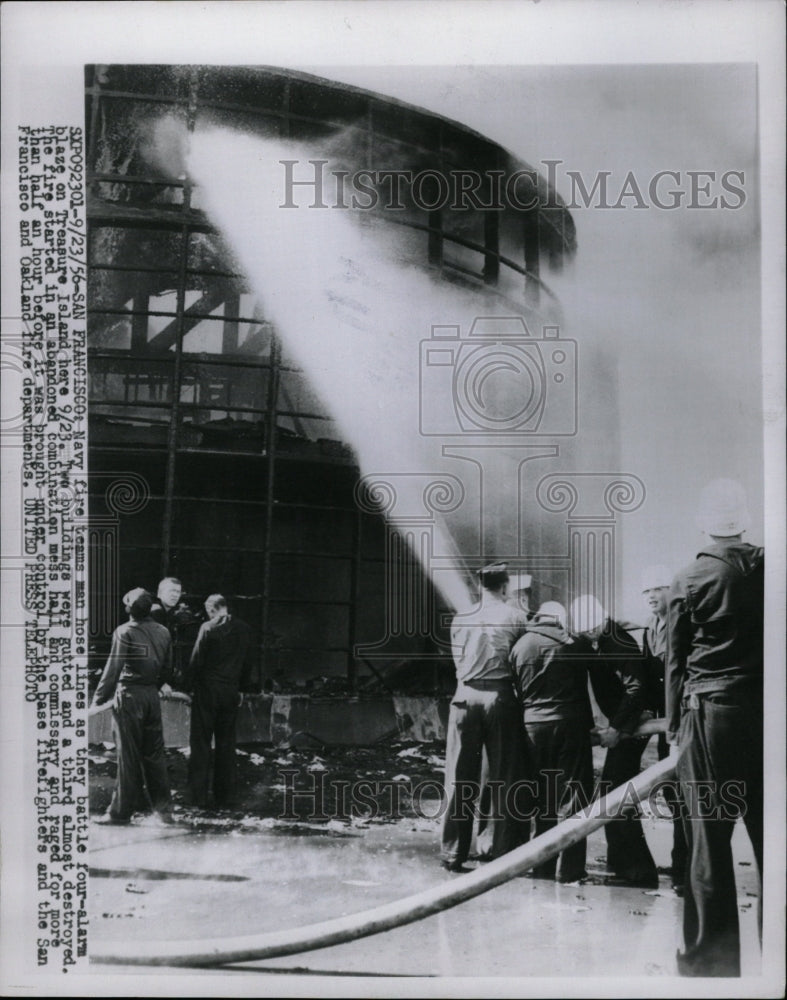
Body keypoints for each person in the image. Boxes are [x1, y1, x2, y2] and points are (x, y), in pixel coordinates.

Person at [667, 479, 763, 977]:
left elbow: (675, 665)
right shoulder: (772, 569)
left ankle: (711, 963)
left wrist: (673, 729)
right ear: (744, 521)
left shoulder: (687, 580)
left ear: (704, 524)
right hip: (769, 718)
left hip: (711, 717)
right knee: (775, 839)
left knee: (709, 839)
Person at [440, 562, 530, 872]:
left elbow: (457, 661)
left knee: (459, 777)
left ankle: (453, 853)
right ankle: (504, 854)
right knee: (505, 777)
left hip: (464, 697)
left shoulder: (461, 618)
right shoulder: (517, 617)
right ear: (505, 587)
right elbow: (521, 659)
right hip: (499, 698)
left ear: (480, 588)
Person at [571, 594, 658, 889]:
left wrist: (617, 729)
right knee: (615, 789)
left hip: (636, 724)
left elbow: (636, 688)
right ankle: (621, 860)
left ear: (600, 622)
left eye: (590, 629)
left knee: (615, 790)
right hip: (626, 723)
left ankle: (638, 869)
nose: (588, 635)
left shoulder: (617, 642)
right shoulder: (599, 639)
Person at [510, 601, 594, 883]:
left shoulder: (520, 646)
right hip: (571, 724)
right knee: (575, 798)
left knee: (542, 798)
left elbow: (517, 690)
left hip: (533, 726)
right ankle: (570, 869)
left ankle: (542, 865)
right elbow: (588, 682)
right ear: (559, 620)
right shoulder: (573, 644)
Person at [89, 588, 173, 825]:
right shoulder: (164, 631)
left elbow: (113, 669)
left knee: (128, 756)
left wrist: (98, 701)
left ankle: (120, 813)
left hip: (129, 696)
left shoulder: (124, 632)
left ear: (129, 609)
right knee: (155, 756)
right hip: (151, 697)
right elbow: (168, 667)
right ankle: (163, 812)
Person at [182, 594, 256, 809]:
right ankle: (226, 797)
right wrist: (242, 688)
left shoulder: (207, 628)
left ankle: (198, 798)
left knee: (201, 744)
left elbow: (196, 661)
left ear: (211, 609)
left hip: (207, 691)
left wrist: (187, 687)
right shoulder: (244, 629)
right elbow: (247, 662)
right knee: (226, 744)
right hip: (230, 692)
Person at [640, 563, 688, 895]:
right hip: (663, 722)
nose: (651, 597)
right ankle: (681, 862)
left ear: (670, 590)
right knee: (671, 793)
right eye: (647, 592)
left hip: (684, 720)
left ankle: (687, 869)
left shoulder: (681, 623)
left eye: (657, 589)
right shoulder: (649, 627)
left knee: (686, 792)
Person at [151, 576, 202, 686]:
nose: (175, 595)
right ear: (160, 593)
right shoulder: (156, 613)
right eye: (171, 591)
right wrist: (160, 681)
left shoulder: (170, 614)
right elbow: (153, 651)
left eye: (178, 592)